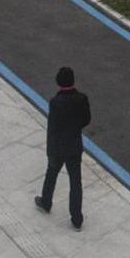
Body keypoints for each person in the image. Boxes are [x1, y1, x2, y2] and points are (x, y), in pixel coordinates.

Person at [34, 66, 91, 230]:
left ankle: (46, 202)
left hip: (58, 147)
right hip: (74, 145)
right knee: (76, 182)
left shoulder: (55, 102)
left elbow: (52, 128)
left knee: (51, 173)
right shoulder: (82, 99)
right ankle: (77, 218)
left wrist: (50, 151)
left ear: (58, 82)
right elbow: (86, 119)